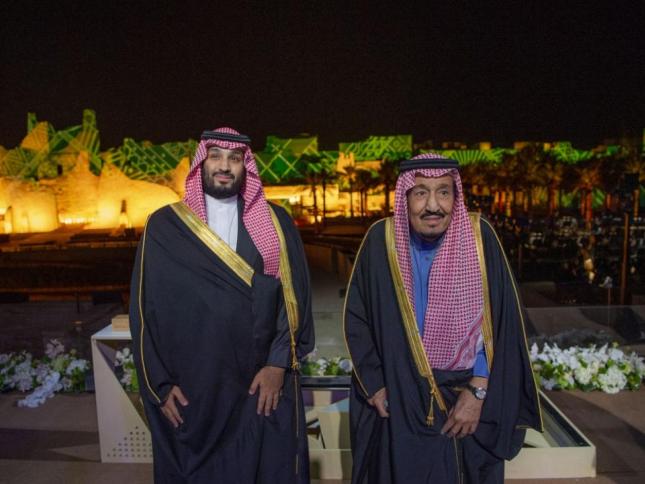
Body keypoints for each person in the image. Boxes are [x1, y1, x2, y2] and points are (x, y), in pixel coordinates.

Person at [130, 127, 314, 484]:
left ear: (247, 166)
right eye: (215, 156)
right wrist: (159, 384)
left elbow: (293, 300)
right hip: (195, 385)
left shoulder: (276, 223)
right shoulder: (165, 226)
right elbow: (144, 310)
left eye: (235, 158)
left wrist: (277, 364)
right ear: (201, 163)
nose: (225, 166)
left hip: (259, 384)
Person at [344, 153, 542, 483]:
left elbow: (503, 322)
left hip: (465, 394)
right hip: (400, 392)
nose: (433, 206)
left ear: (456, 196)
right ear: (405, 197)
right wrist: (375, 385)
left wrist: (479, 392)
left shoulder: (479, 237)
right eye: (421, 193)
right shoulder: (381, 240)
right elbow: (357, 318)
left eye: (444, 192)